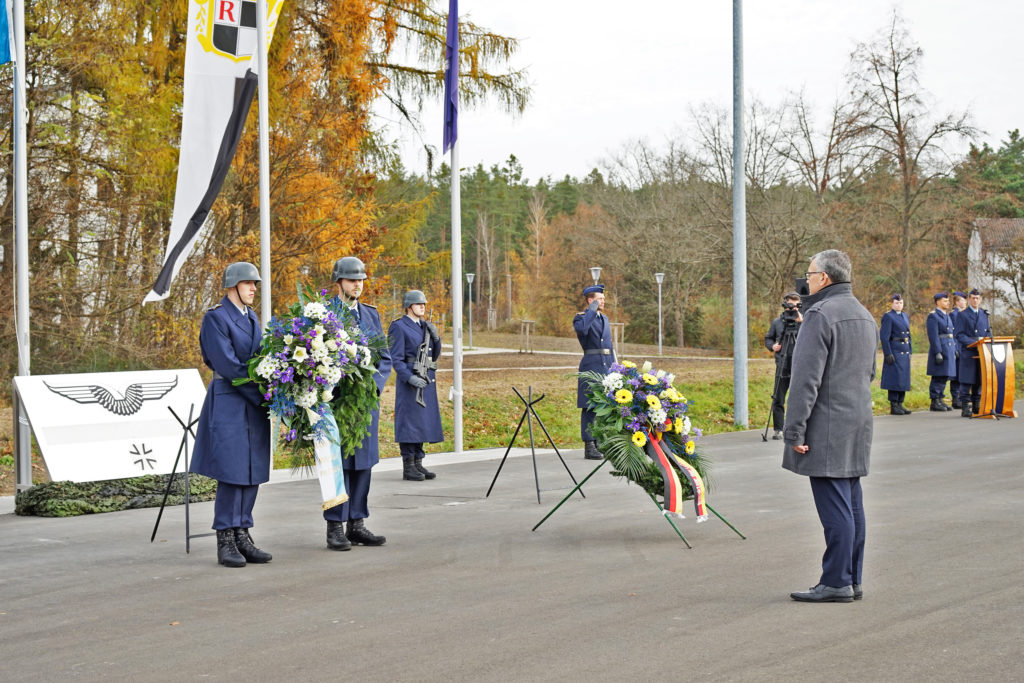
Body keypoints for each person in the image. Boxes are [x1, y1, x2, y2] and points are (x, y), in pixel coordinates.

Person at [783, 249, 877, 603]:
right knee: (851, 503)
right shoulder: (865, 315)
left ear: (824, 278)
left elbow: (805, 380)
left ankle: (836, 581)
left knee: (836, 506)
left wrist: (794, 430)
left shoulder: (820, 315)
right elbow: (869, 372)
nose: (806, 281)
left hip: (826, 424)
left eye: (809, 275)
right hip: (856, 419)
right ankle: (851, 578)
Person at [191, 262, 273, 568]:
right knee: (231, 470)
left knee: (251, 468)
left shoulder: (251, 317)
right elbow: (227, 365)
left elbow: (260, 359)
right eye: (249, 283)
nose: (254, 288)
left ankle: (242, 532)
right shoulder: (216, 317)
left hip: (251, 401)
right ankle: (225, 536)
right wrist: (262, 395)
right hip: (230, 400)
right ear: (233, 286)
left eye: (255, 284)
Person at [323, 256, 392, 551]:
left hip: (365, 404)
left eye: (361, 280)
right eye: (352, 280)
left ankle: (357, 523)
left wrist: (371, 389)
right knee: (337, 464)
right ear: (339, 282)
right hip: (337, 402)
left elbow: (384, 358)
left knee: (363, 463)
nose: (357, 285)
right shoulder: (325, 314)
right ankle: (335, 526)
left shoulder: (371, 315)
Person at [388, 290, 443, 481]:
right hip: (410, 380)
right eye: (419, 304)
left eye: (424, 304)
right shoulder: (398, 326)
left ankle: (418, 463)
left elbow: (433, 356)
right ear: (409, 306)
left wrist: (436, 338)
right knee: (409, 423)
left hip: (426, 379)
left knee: (421, 423)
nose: (423, 307)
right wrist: (409, 378)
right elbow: (396, 359)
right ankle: (408, 466)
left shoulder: (424, 326)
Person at [574, 284, 616, 460]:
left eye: (604, 299)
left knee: (604, 406)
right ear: (590, 301)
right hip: (591, 366)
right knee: (589, 407)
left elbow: (609, 346)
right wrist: (591, 310)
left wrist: (615, 368)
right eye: (600, 299)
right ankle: (589, 445)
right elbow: (583, 330)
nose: (603, 301)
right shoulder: (581, 318)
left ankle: (599, 441)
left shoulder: (604, 319)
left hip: (606, 366)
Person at [763, 293, 803, 439]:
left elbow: (814, 337)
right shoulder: (777, 323)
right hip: (782, 364)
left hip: (800, 366)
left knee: (799, 398)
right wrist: (772, 346)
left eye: (795, 305)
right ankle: (778, 429)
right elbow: (768, 338)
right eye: (790, 305)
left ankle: (798, 428)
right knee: (778, 398)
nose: (792, 308)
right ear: (785, 305)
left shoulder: (805, 321)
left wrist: (802, 322)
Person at [953, 288, 992, 418]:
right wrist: (973, 343)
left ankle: (977, 404)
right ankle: (965, 406)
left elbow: (988, 332)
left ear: (980, 300)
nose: (975, 300)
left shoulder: (983, 314)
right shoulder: (962, 315)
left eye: (977, 298)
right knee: (967, 380)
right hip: (969, 351)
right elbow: (959, 334)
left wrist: (989, 341)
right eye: (973, 298)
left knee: (979, 379)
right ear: (969, 299)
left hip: (982, 353)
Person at [879, 294, 912, 415]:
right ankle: (894, 404)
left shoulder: (905, 316)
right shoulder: (888, 316)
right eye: (897, 303)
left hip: (905, 350)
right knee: (895, 378)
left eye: (901, 303)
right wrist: (888, 353)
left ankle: (900, 403)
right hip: (895, 350)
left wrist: (910, 350)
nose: (899, 305)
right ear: (892, 304)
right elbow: (884, 336)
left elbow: (908, 335)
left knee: (903, 379)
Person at [925, 292, 957, 412]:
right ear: (938, 302)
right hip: (941, 349)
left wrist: (954, 349)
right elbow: (933, 336)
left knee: (945, 375)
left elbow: (951, 334)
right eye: (945, 300)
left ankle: (940, 398)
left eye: (948, 300)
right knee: (938, 375)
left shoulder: (947, 315)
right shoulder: (933, 316)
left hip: (948, 348)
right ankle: (935, 400)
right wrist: (937, 351)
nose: (948, 302)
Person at [948, 291, 968, 408]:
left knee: (963, 374)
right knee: (956, 374)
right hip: (958, 346)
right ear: (956, 302)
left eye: (965, 300)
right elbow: (954, 333)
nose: (965, 302)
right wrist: (955, 348)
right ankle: (956, 398)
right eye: (962, 300)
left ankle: (961, 397)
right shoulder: (954, 315)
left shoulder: (963, 314)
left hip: (964, 347)